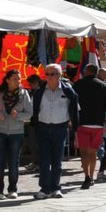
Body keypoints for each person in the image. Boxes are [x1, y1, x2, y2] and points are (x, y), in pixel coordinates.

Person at [32, 63, 80, 198]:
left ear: (59, 75)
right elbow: (35, 110)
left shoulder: (68, 91)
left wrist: (75, 130)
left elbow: (75, 111)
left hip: (60, 128)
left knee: (57, 160)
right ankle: (44, 188)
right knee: (44, 160)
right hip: (43, 127)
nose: (49, 77)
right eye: (46, 74)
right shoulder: (39, 91)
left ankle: (56, 187)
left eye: (52, 74)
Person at [0, 68, 33, 200]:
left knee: (14, 162)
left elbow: (29, 113)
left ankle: (12, 189)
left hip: (16, 132)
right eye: (15, 79)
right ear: (7, 80)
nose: (18, 81)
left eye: (19, 79)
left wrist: (18, 116)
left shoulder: (24, 94)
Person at [73, 63, 106, 189]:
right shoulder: (104, 86)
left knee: (84, 152)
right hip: (97, 124)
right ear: (96, 72)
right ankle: (91, 176)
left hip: (82, 123)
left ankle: (86, 176)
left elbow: (71, 104)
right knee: (93, 152)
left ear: (85, 72)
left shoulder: (78, 84)